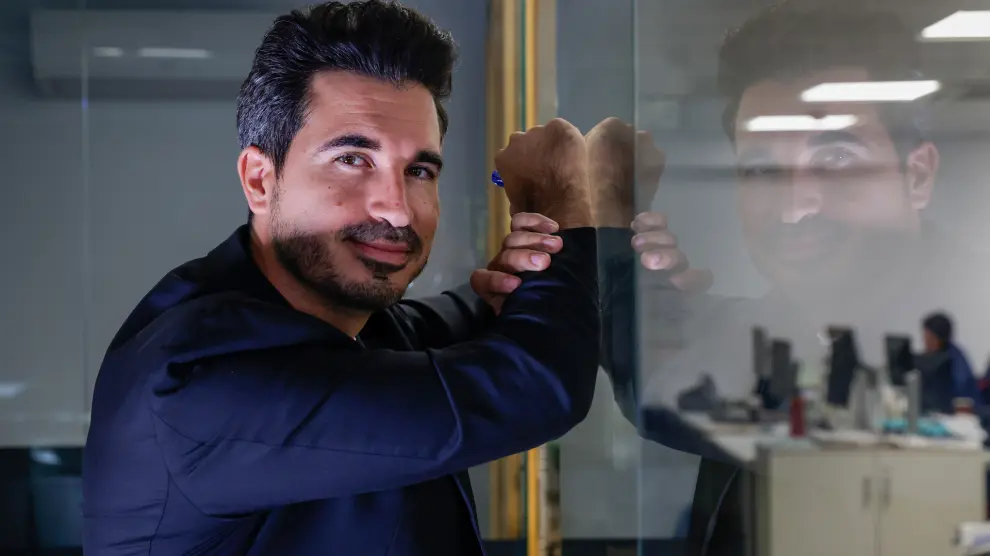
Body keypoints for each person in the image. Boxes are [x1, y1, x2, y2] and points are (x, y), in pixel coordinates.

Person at [81, 2, 600, 554]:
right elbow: (537, 388)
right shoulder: (201, 375)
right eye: (353, 159)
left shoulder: (348, 321)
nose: (397, 210)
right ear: (260, 180)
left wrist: (530, 273)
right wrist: (560, 198)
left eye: (418, 170)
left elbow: (479, 321)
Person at [593, 2, 990, 554]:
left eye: (837, 157)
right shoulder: (761, 335)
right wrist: (647, 285)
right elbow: (662, 381)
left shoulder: (969, 339)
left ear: (917, 176)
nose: (795, 207)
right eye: (762, 168)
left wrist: (611, 213)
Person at [921, 312, 981, 413]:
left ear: (938, 339)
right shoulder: (934, 358)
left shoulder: (954, 361)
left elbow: (960, 395)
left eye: (928, 337)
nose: (925, 342)